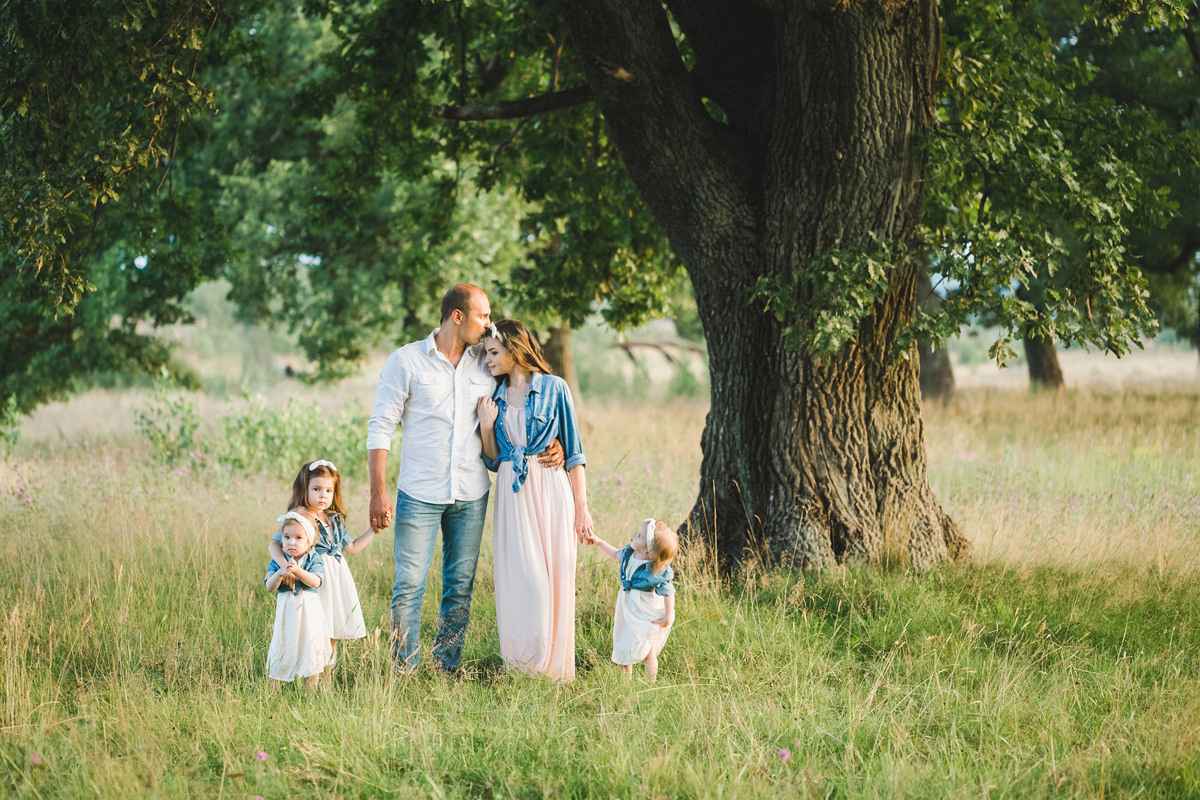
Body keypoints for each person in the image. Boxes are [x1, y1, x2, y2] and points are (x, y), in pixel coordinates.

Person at [367, 285, 563, 673]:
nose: (489, 323)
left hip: (471, 493)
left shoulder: (487, 362)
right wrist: (378, 493)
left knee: (459, 588)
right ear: (458, 316)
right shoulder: (406, 362)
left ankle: (446, 668)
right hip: (418, 493)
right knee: (408, 586)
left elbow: (526, 397)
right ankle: (403, 670)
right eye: (483, 315)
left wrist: (553, 440)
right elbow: (380, 427)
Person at [476, 318, 593, 681]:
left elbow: (573, 453)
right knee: (524, 580)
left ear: (514, 351)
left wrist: (582, 509)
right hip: (513, 497)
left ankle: (555, 670)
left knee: (556, 577)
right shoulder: (491, 396)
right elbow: (494, 460)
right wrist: (484, 426)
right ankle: (524, 666)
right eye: (486, 354)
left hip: (551, 490)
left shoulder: (555, 389)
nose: (488, 361)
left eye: (494, 353)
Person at [269, 460, 377, 668]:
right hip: (314, 575)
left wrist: (374, 529)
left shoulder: (334, 519)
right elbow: (274, 544)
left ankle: (326, 679)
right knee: (317, 627)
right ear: (305, 489)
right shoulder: (301, 516)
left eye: (328, 490)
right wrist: (287, 566)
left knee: (333, 628)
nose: (323, 495)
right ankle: (308, 672)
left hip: (336, 578)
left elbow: (352, 548)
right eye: (316, 489)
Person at [585, 517, 678, 682]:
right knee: (625, 643)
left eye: (640, 536)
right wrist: (598, 542)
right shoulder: (630, 554)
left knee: (648, 649)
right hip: (628, 609)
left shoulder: (656, 570)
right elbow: (615, 555)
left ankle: (651, 682)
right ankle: (626, 684)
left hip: (646, 611)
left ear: (648, 552)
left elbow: (668, 591)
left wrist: (668, 616)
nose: (635, 534)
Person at [264, 511, 331, 688]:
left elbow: (316, 582)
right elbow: (269, 587)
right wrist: (280, 573)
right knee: (282, 646)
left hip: (309, 614)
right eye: (286, 537)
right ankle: (273, 693)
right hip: (287, 613)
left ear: (309, 542)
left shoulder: (313, 558)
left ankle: (310, 692)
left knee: (310, 649)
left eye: (298, 538)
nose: (291, 542)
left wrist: (297, 571)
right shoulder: (279, 562)